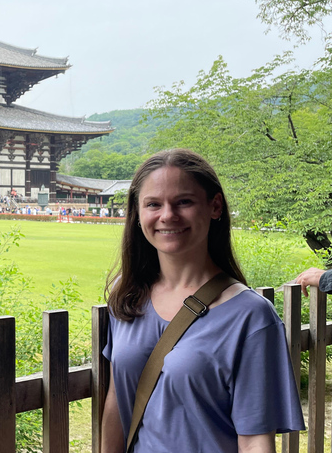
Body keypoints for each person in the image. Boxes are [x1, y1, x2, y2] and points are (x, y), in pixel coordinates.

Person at [101, 148, 303, 453]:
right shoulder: (128, 295)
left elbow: (255, 441)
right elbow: (117, 403)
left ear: (215, 206)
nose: (167, 215)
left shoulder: (250, 316)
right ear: (138, 214)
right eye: (153, 204)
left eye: (184, 201)